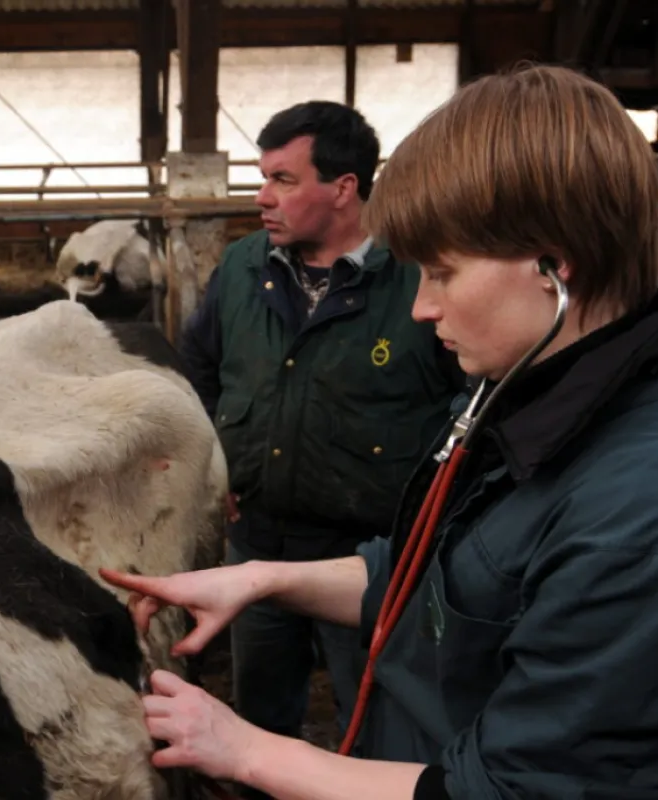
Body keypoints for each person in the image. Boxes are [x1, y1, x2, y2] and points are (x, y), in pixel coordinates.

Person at [103, 64, 658, 799]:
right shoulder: (536, 400)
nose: (421, 308)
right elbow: (435, 575)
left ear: (553, 268)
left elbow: (500, 792)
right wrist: (262, 579)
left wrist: (242, 748)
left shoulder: (643, 525)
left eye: (442, 273)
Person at [177, 101, 467, 767]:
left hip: (369, 559)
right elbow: (197, 363)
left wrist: (432, 508)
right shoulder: (245, 266)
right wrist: (218, 460)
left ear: (343, 189)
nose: (262, 197)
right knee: (259, 712)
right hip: (257, 544)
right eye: (263, 177)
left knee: (371, 715)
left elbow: (468, 403)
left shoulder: (415, 277)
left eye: (282, 179)